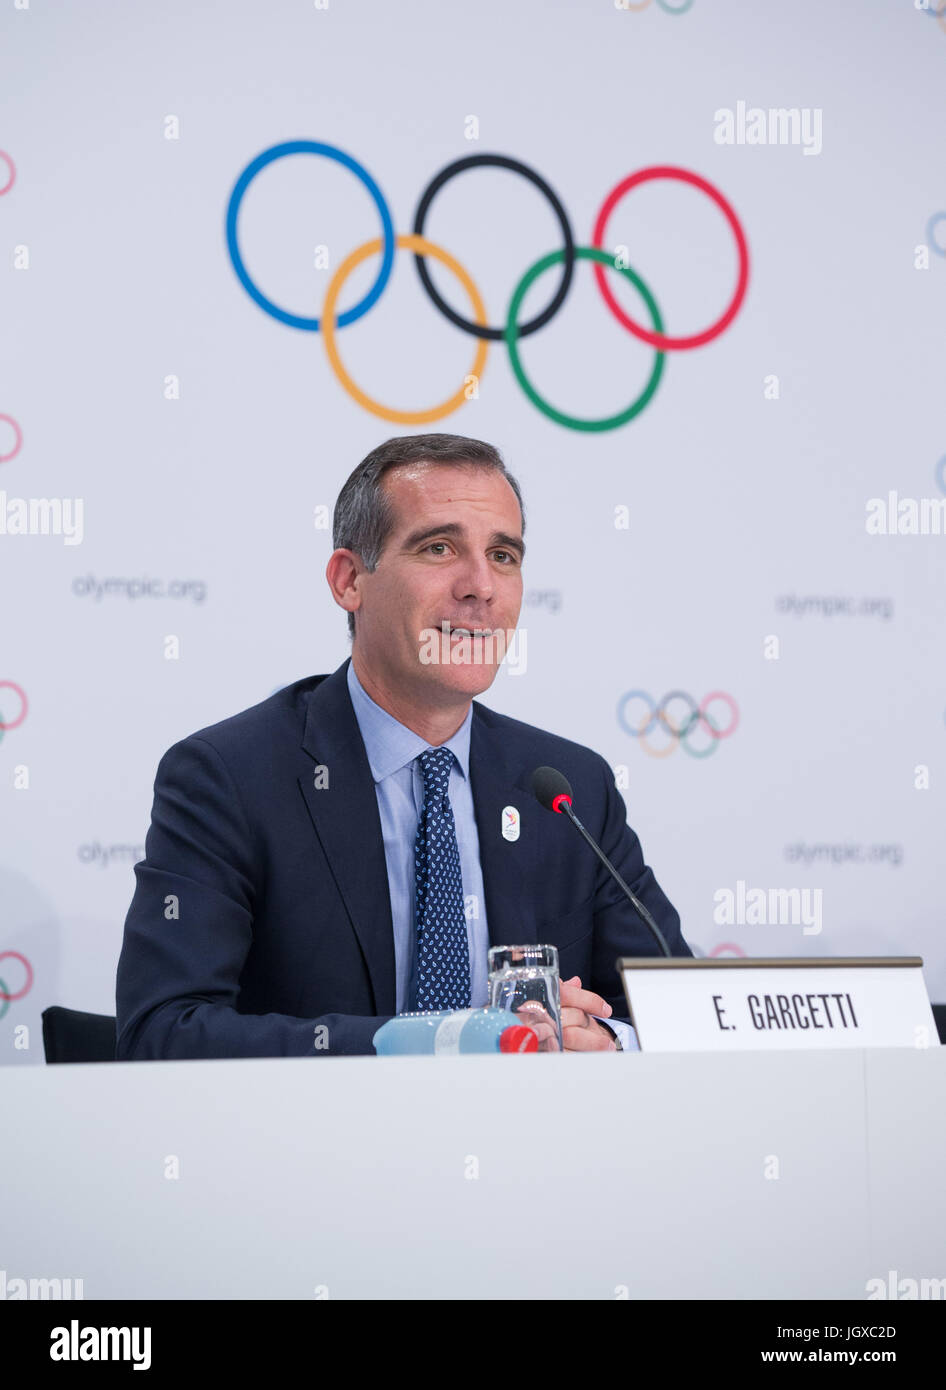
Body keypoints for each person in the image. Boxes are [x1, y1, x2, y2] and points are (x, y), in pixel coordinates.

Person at [115, 432, 690, 1060]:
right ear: (349, 581)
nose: (480, 587)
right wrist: (436, 1043)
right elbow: (163, 1033)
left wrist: (607, 1040)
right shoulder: (229, 777)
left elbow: (682, 1014)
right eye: (439, 547)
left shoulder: (568, 787)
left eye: (503, 555)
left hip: (531, 1151)